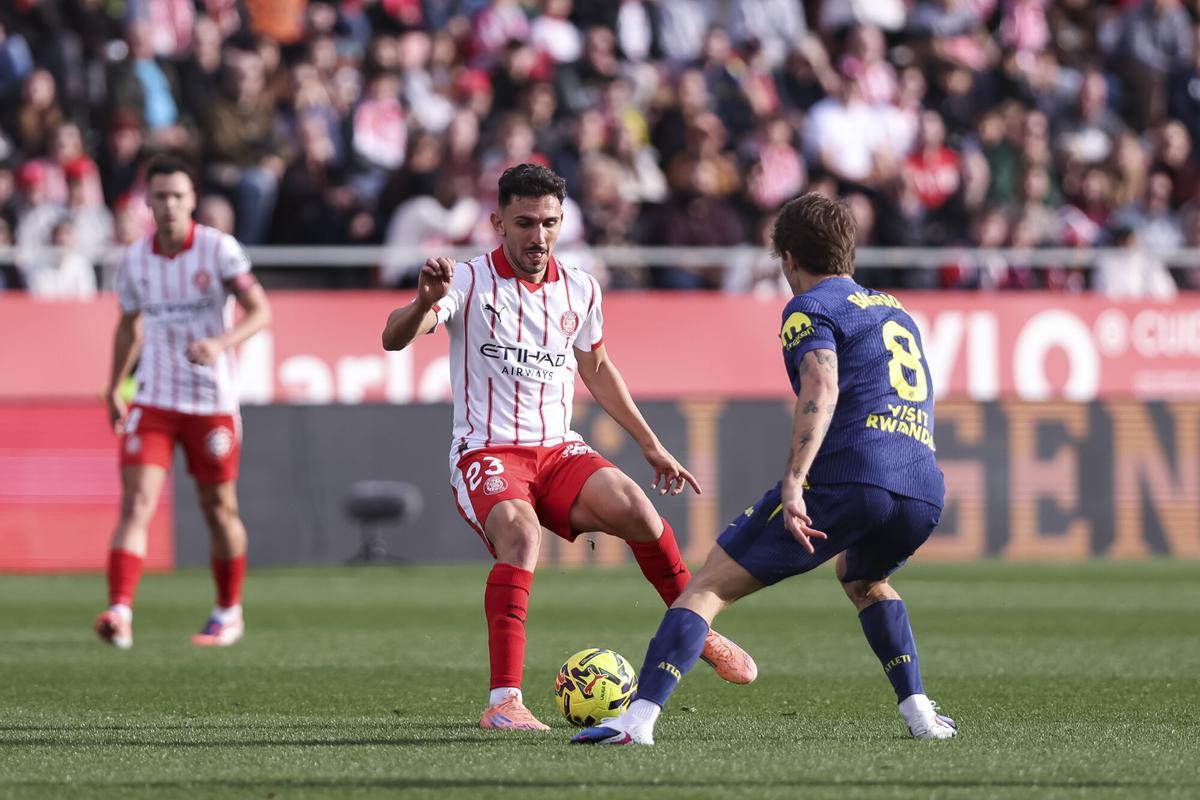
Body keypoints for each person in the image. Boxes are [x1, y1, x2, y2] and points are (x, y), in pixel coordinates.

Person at [381, 163, 756, 731]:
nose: (538, 237)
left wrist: (650, 443)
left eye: (549, 223)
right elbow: (392, 338)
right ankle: (503, 701)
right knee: (522, 535)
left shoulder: (580, 287)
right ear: (498, 221)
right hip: (487, 452)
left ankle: (696, 629)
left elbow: (598, 368)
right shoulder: (465, 280)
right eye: (525, 223)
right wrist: (421, 301)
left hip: (558, 451)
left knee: (640, 512)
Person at [572, 193, 956, 745]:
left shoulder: (809, 307)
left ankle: (636, 722)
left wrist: (795, 481)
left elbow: (823, 385)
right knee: (867, 581)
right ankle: (921, 714)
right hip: (922, 485)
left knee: (705, 589)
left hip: (852, 475)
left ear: (789, 258)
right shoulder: (896, 309)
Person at [94, 155, 272, 650]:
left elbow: (261, 311)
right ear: (147, 202)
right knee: (136, 503)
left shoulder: (218, 250)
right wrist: (113, 386)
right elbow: (129, 324)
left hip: (211, 402)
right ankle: (120, 611)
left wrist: (221, 343)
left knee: (218, 509)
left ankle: (228, 611)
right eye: (160, 196)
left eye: (177, 195)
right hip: (153, 399)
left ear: (192, 200)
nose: (169, 204)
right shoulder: (133, 259)